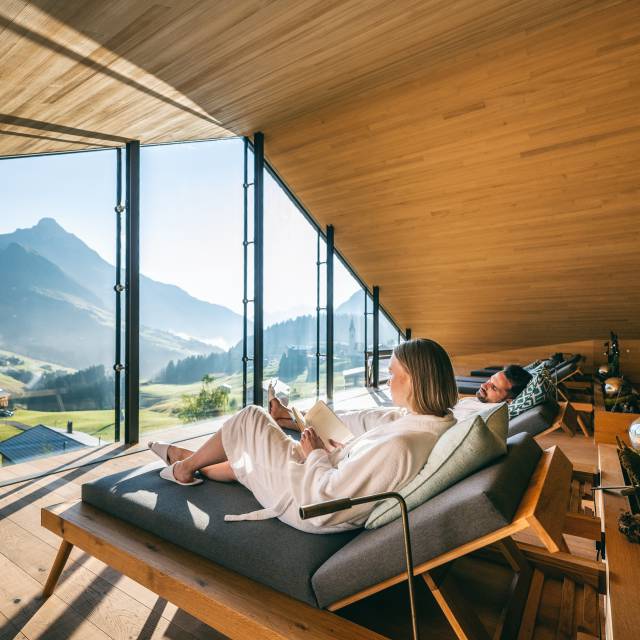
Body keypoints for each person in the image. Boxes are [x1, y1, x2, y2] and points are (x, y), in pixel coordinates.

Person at [149, 338, 458, 533]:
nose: (386, 381)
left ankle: (183, 468)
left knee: (249, 418)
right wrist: (293, 421)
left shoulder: (400, 446)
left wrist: (315, 455)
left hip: (307, 507)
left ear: (415, 381)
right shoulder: (420, 420)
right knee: (251, 456)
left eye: (392, 374)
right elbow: (357, 421)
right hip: (325, 472)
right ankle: (191, 459)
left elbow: (326, 503)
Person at [453, 364, 532, 421]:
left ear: (509, 400)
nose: (483, 385)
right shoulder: (484, 402)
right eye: (490, 380)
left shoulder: (479, 417)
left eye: (494, 388)